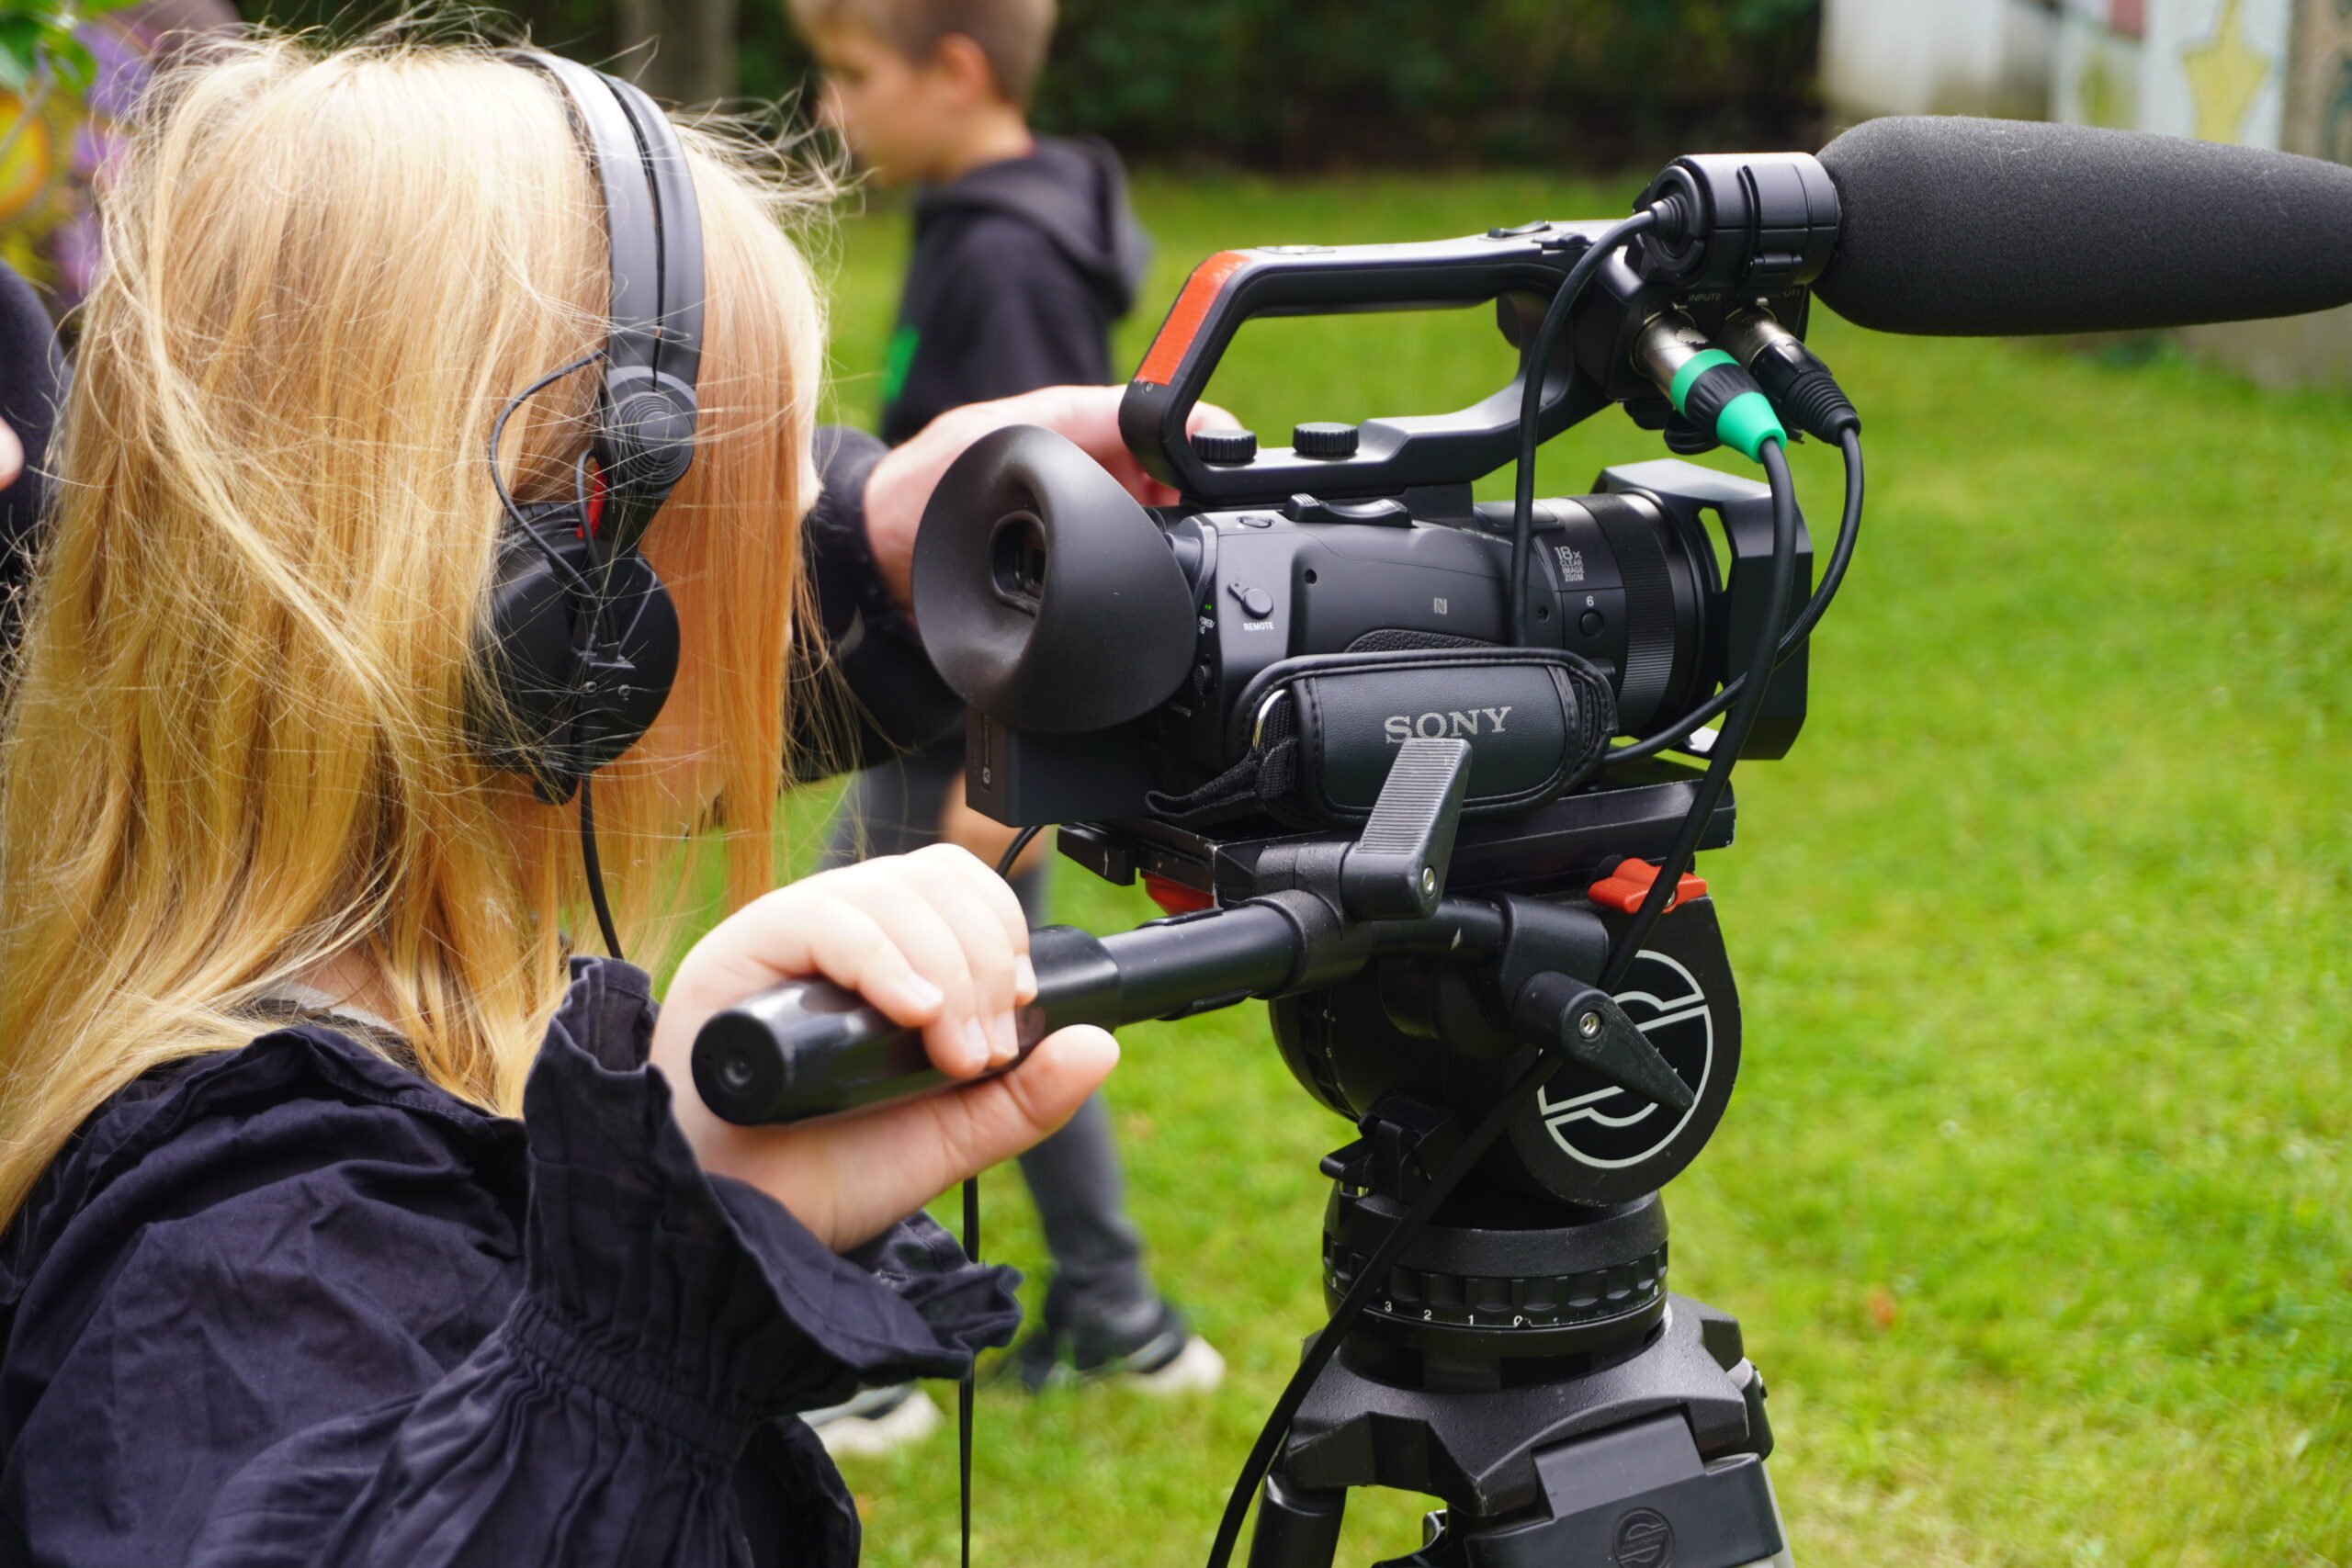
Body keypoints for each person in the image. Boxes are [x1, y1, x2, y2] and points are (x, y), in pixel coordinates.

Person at [0, 33, 1217, 1564]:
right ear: (557, 617)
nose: (807, 520)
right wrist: (645, 1323)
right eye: (769, 483)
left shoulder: (267, 1117)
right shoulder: (263, 1250)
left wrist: (882, 545)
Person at [786, 0, 1216, 1450]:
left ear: (954, 72)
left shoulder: (1007, 251)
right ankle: (1120, 1317)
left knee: (871, 1004)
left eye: (851, 75)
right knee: (997, 1005)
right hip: (954, 703)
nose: (833, 114)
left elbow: (1042, 527)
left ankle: (871, 1358)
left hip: (971, 723)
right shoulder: (996, 215)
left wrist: (998, 775)